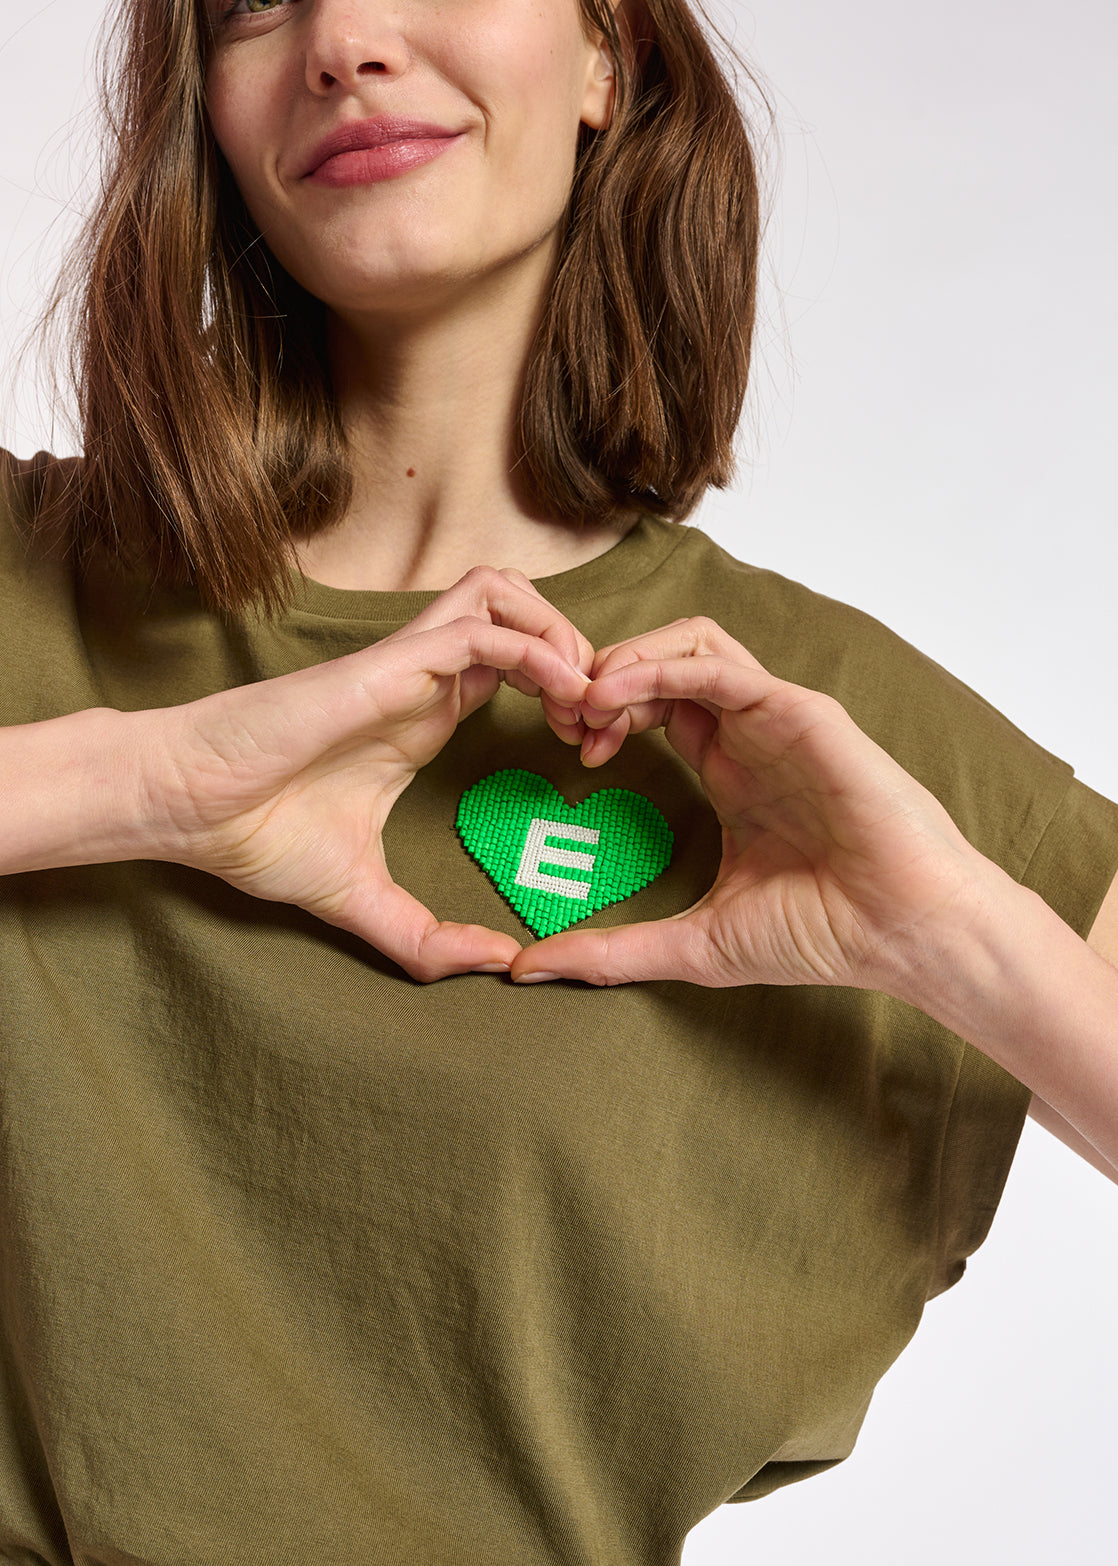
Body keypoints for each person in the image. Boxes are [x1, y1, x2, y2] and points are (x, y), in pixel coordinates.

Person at [1, 1, 1115, 1562]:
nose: (342, 40)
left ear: (612, 55)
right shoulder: (22, 583)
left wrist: (956, 938)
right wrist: (148, 777)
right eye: (256, 1)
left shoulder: (830, 744)